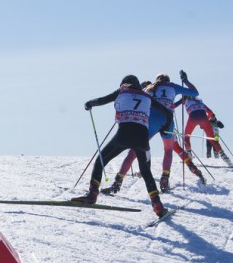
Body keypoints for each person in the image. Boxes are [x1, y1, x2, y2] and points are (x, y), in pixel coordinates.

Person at [71, 74, 172, 218]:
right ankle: (158, 206)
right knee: (146, 172)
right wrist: (165, 127)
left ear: (124, 84)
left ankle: (92, 194)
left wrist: (89, 103)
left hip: (123, 135)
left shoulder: (122, 91)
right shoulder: (147, 96)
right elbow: (168, 113)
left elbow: (102, 100)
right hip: (142, 138)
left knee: (100, 161)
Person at [101, 72, 205, 195]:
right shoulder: (172, 86)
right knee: (168, 149)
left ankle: (117, 183)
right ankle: (165, 178)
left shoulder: (148, 88)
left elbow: (135, 97)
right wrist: (186, 81)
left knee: (134, 151)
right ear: (167, 79)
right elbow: (195, 93)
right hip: (167, 120)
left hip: (150, 120)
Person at [175, 88, 233, 167]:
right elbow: (210, 112)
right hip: (204, 119)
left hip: (193, 118)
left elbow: (174, 105)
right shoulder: (199, 100)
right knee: (212, 139)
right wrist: (207, 121)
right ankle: (225, 157)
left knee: (186, 136)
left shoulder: (185, 99)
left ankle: (189, 155)